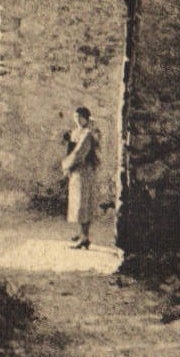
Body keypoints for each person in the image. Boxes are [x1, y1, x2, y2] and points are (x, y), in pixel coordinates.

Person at [61, 105, 101, 249]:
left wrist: (66, 165)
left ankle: (85, 237)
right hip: (77, 171)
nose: (77, 120)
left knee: (83, 204)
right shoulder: (78, 132)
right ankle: (81, 233)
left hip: (84, 171)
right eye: (75, 117)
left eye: (80, 117)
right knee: (78, 204)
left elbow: (79, 154)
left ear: (86, 118)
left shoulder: (88, 134)